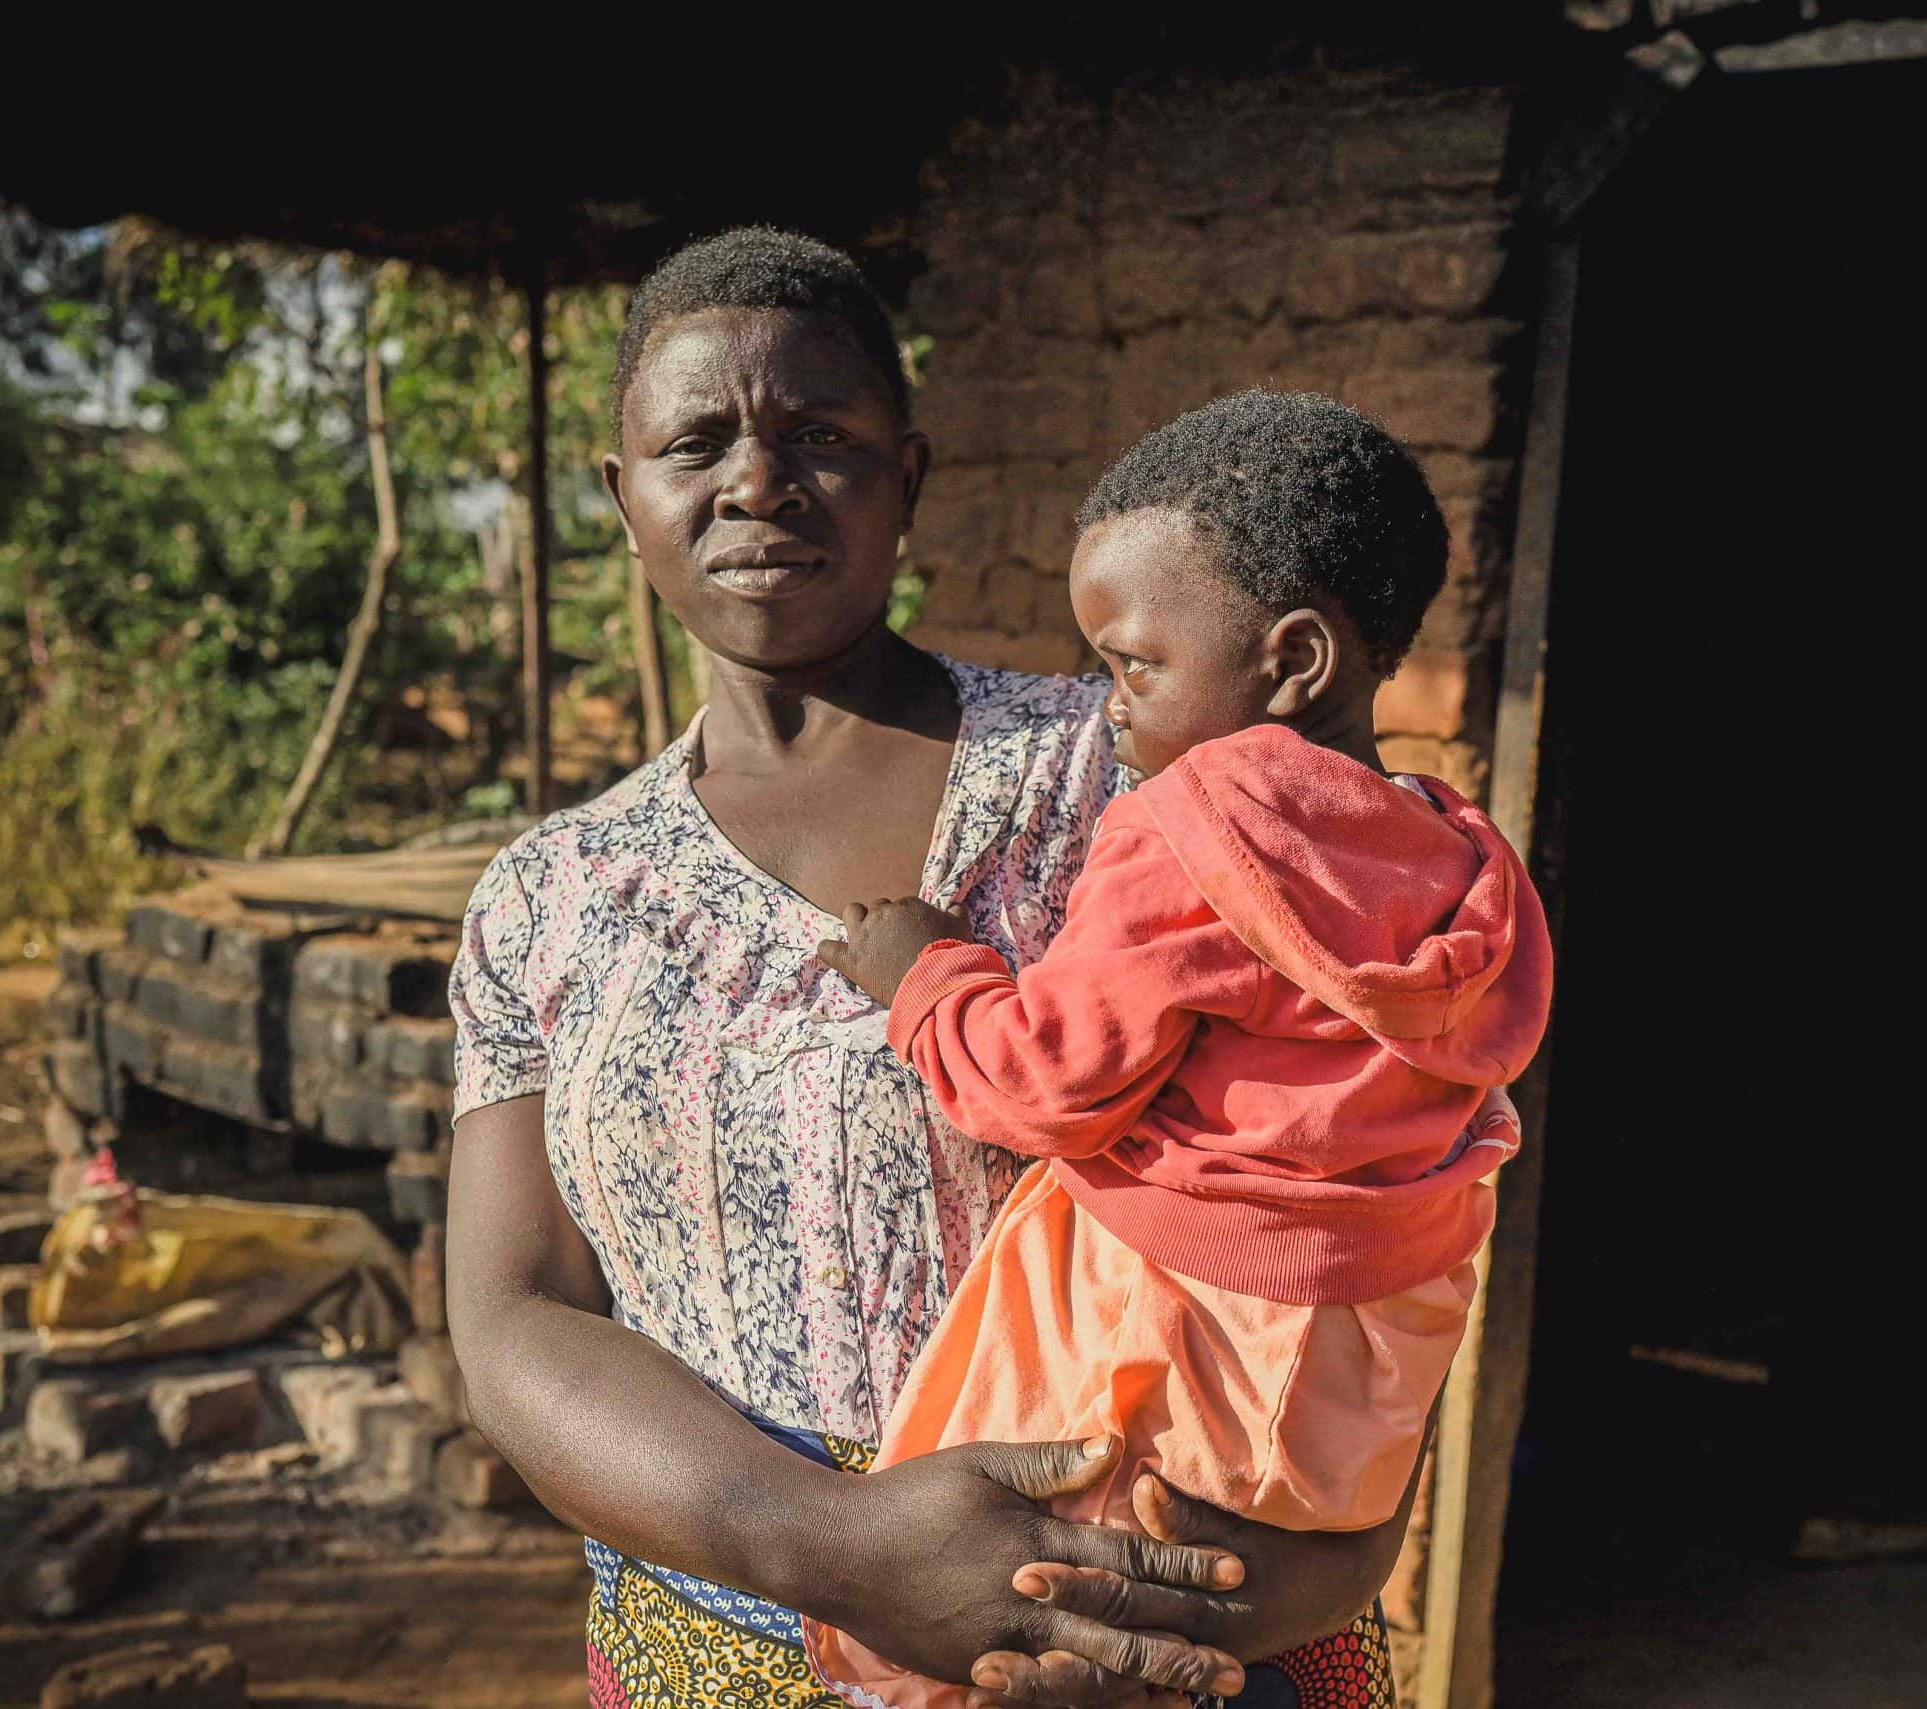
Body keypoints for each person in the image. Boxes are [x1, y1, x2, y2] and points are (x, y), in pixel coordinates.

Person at [446, 231, 1422, 1709]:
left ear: (909, 474)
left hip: (1151, 1624)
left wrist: (1279, 1577)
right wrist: (841, 1546)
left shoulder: (1143, 772)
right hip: (721, 1652)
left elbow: (1376, 1142)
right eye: (694, 441)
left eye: (820, 437)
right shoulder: (550, 898)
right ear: (621, 493)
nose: (757, 482)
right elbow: (515, 1315)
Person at [810, 392, 1552, 1709]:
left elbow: (1044, 1081)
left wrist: (922, 969)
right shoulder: (1460, 856)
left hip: (1180, 1327)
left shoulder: (1196, 820)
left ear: (1296, 659)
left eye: (1133, 666)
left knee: (1031, 1612)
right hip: (1349, 1370)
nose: (1109, 709)